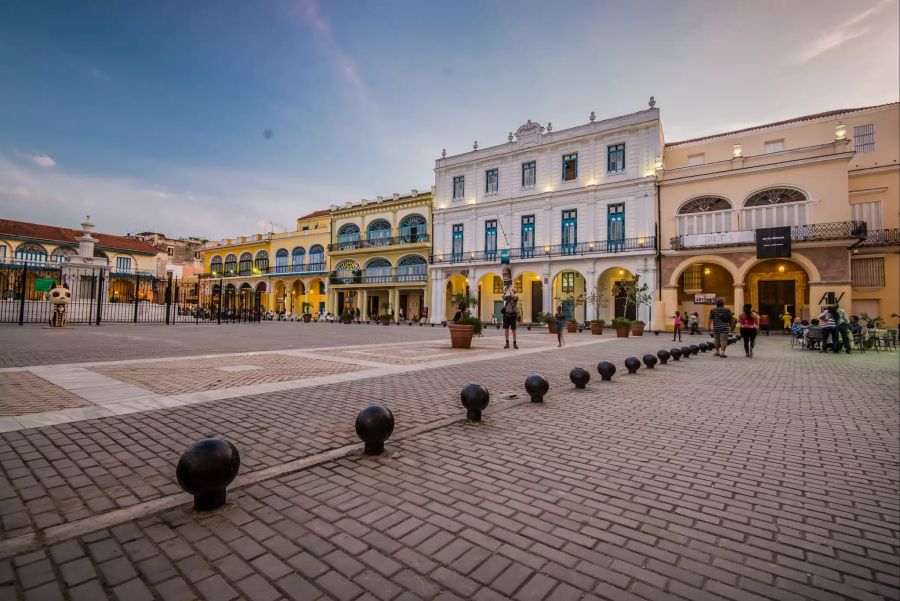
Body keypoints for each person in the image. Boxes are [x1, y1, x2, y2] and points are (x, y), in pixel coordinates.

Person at [501, 284, 518, 349]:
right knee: (506, 329)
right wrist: (505, 291)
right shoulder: (507, 297)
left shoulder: (516, 297)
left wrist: (510, 288)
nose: (511, 290)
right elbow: (503, 297)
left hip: (513, 315)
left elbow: (513, 296)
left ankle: (515, 343)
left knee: (513, 330)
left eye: (513, 290)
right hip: (506, 315)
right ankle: (507, 343)